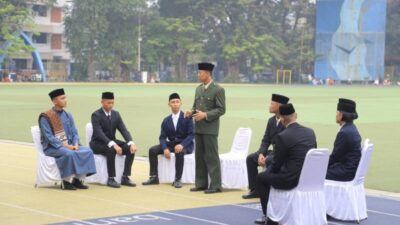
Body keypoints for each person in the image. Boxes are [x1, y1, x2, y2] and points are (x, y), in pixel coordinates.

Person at [254, 104, 317, 225]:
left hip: (291, 179)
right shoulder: (310, 132)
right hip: (308, 178)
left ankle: (269, 216)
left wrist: (267, 168)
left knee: (261, 178)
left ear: (282, 119)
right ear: (296, 116)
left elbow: (277, 165)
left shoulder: (282, 136)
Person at [39, 88, 96, 190]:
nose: (65, 100)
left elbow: (74, 132)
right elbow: (49, 137)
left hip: (70, 145)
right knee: (69, 153)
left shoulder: (68, 115)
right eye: (62, 98)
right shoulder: (46, 117)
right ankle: (65, 182)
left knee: (87, 151)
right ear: (55, 101)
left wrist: (76, 143)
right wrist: (66, 146)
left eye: (65, 97)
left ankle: (77, 180)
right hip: (53, 147)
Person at [185, 62, 226, 194]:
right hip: (198, 128)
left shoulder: (218, 89)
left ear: (208, 74)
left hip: (210, 129)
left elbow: (221, 109)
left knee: (211, 157)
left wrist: (205, 115)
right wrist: (190, 113)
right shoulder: (198, 89)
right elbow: (195, 106)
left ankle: (216, 185)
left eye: (200, 73)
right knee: (199, 157)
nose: (198, 75)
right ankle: (201, 184)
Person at [142, 93, 194, 188]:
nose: (175, 104)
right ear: (169, 104)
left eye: (177, 102)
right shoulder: (166, 120)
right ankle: (154, 177)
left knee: (179, 151)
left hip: (185, 145)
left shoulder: (187, 117)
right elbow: (162, 137)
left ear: (181, 103)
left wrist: (182, 145)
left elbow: (191, 135)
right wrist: (165, 148)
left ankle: (178, 179)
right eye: (173, 102)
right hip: (172, 145)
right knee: (152, 150)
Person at [242, 94, 289, 199]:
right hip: (271, 152)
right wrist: (261, 154)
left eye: (272, 104)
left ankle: (266, 189)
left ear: (279, 106)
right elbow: (266, 140)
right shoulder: (271, 121)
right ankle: (255, 190)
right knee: (250, 159)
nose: (269, 106)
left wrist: (267, 158)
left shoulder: (286, 121)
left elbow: (285, 146)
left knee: (268, 160)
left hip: (280, 154)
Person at [89, 92, 137, 188]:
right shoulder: (96, 115)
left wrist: (131, 142)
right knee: (111, 150)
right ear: (102, 102)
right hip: (98, 143)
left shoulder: (116, 114)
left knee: (130, 149)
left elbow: (123, 130)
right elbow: (99, 133)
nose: (110, 105)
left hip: (111, 141)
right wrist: (113, 144)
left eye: (112, 103)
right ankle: (111, 179)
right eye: (108, 103)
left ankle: (125, 177)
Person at [326, 98, 361, 181]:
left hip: (345, 171)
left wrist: (321, 166)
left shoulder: (344, 133)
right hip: (351, 169)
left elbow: (335, 157)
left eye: (337, 112)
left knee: (315, 174)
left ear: (341, 115)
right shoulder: (352, 128)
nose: (335, 115)